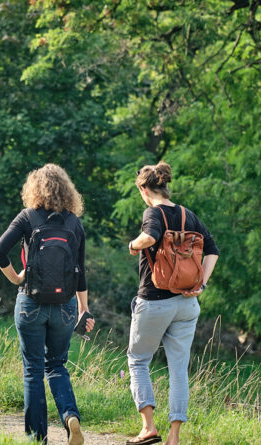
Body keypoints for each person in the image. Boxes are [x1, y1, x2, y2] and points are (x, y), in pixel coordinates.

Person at [0, 164, 94, 445]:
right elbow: (80, 271)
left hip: (30, 302)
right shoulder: (75, 223)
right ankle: (70, 416)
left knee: (33, 370)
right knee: (57, 365)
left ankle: (37, 439)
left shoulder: (27, 217)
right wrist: (84, 309)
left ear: (34, 188)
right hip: (65, 306)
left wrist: (16, 278)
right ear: (67, 190)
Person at [125, 162, 219, 445]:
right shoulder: (186, 214)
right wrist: (201, 282)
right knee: (178, 369)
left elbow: (150, 236)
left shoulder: (152, 212)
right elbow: (212, 249)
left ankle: (149, 427)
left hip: (154, 302)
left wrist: (133, 244)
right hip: (186, 304)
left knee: (138, 360)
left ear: (144, 188)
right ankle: (174, 438)